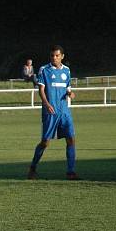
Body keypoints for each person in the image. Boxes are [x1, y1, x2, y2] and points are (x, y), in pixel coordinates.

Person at [27, 45, 79, 180]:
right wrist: (46, 103)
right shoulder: (44, 70)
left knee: (71, 140)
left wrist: (70, 93)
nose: (54, 58)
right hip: (50, 111)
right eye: (52, 56)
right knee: (45, 142)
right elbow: (41, 90)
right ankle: (32, 168)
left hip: (64, 111)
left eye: (56, 55)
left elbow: (67, 88)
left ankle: (71, 172)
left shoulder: (67, 71)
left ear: (62, 56)